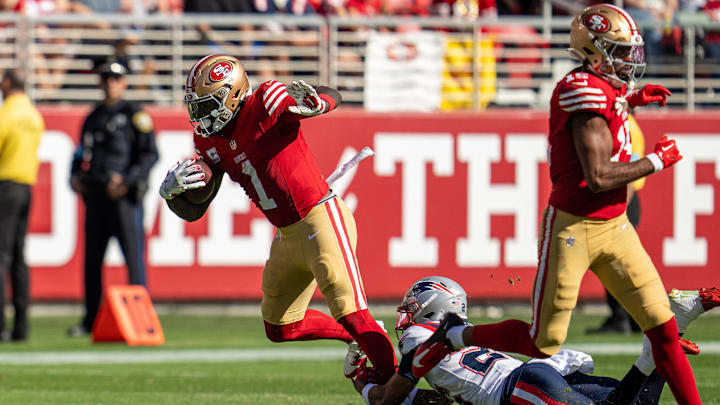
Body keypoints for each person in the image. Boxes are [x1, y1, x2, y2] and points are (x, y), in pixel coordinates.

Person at [412, 4, 704, 404]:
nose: (628, 60)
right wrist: (657, 160)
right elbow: (599, 176)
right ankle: (453, 334)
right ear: (592, 51)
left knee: (663, 330)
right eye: (618, 50)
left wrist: (631, 100)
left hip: (615, 225)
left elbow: (609, 109)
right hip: (574, 227)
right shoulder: (577, 90)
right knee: (543, 341)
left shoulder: (605, 87)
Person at [159, 54, 398, 383]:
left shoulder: (264, 101)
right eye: (196, 107)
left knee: (353, 313)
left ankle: (400, 388)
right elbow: (195, 209)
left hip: (320, 217)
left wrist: (318, 103)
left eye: (207, 105)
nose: (200, 115)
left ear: (234, 93)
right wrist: (172, 195)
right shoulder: (208, 141)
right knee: (280, 325)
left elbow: (329, 93)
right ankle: (353, 340)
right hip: (288, 234)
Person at [350, 276, 720, 405]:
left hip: (521, 390)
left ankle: (656, 346)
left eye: (412, 307)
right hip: (537, 377)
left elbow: (390, 399)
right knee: (638, 402)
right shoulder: (458, 336)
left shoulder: (418, 338)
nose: (406, 316)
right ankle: (668, 334)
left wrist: (361, 382)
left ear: (431, 307)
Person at [68, 59, 158, 337]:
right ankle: (90, 319)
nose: (110, 83)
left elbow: (150, 154)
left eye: (115, 78)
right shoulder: (93, 116)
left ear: (124, 83)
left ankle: (141, 320)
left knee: (133, 258)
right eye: (106, 78)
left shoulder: (135, 114)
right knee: (92, 261)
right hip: (96, 196)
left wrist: (128, 180)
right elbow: (80, 153)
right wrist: (74, 176)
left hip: (124, 199)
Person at [587, 112, 645, 335]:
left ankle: (625, 317)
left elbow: (629, 172)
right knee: (613, 261)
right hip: (618, 198)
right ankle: (630, 318)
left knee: (617, 261)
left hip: (622, 199)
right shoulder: (619, 123)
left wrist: (618, 208)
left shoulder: (627, 125)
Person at [0, 70, 45, 342]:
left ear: (7, 84)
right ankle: (21, 326)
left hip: (5, 185)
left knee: (1, 257)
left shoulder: (7, 114)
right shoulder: (33, 115)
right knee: (18, 257)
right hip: (26, 186)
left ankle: (0, 326)